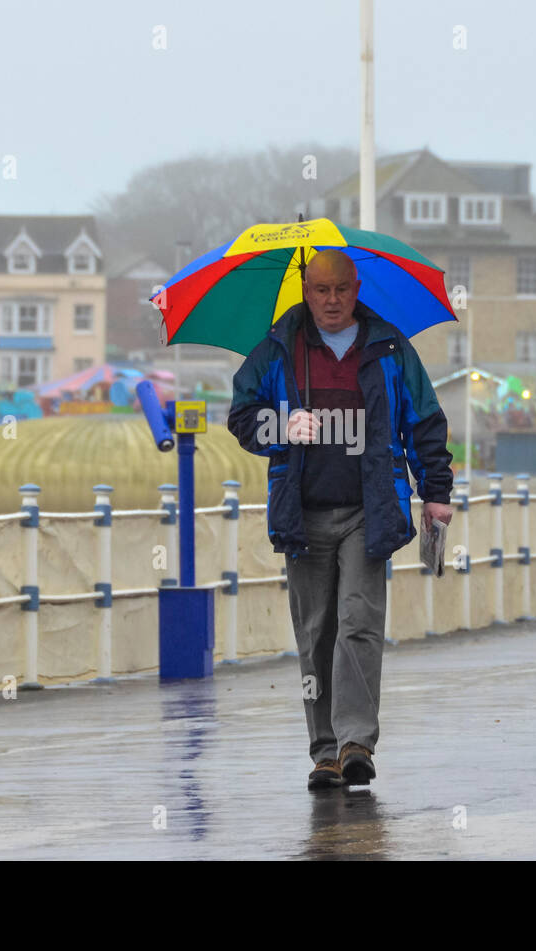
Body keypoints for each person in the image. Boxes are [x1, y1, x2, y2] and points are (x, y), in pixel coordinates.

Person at [227, 249, 454, 791]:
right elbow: (240, 416)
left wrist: (436, 493)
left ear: (357, 289)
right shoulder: (276, 351)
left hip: (368, 511)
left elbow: (423, 422)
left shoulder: (392, 350)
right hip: (301, 514)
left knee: (358, 625)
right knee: (316, 633)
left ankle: (356, 743)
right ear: (306, 291)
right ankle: (324, 752)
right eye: (321, 290)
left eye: (341, 290)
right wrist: (282, 425)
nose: (331, 301)